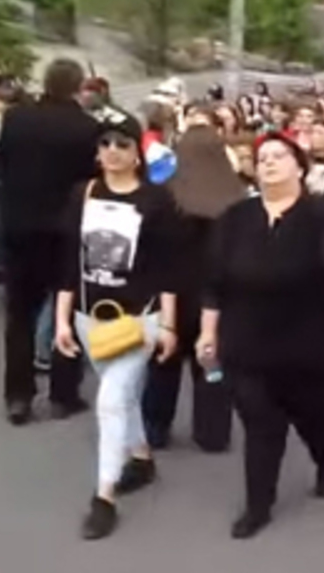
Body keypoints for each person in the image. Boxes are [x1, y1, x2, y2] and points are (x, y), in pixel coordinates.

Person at [198, 132, 324, 539]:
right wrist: (207, 333)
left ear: (300, 166)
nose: (269, 163)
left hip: (309, 340)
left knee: (315, 418)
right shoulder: (235, 218)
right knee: (259, 423)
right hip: (246, 340)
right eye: (262, 157)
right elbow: (214, 282)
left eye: (279, 156)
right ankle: (258, 504)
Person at [51, 108, 180, 539]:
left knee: (110, 400)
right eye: (105, 143)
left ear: (138, 152)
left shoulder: (156, 201)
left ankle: (103, 497)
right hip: (90, 317)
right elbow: (70, 260)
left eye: (122, 144)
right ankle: (141, 457)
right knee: (121, 396)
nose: (111, 151)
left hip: (139, 319)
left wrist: (169, 325)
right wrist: (62, 320)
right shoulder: (81, 194)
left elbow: (168, 267)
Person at [0, 58, 101, 425]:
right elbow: (93, 183)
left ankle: (18, 395)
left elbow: (2, 168)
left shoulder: (16, 119)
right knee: (67, 310)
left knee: (19, 314)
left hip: (19, 226)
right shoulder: (88, 129)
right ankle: (63, 392)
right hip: (66, 230)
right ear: (78, 86)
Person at [143, 106, 245, 452]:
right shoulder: (236, 202)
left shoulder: (167, 198)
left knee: (163, 364)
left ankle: (155, 427)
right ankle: (213, 432)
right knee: (212, 365)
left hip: (171, 295)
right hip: (216, 300)